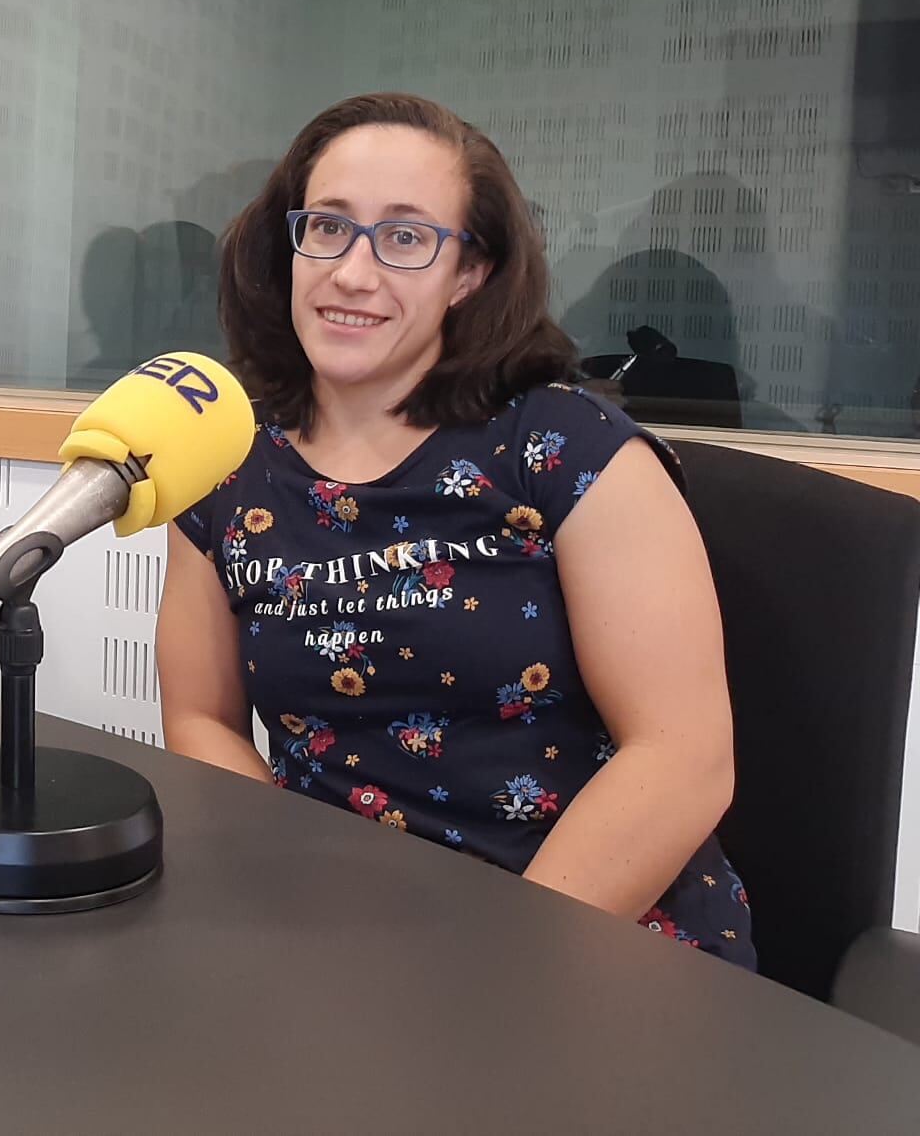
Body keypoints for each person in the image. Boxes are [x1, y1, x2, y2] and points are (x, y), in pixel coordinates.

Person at [158, 92, 751, 963]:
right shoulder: (221, 460)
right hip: (332, 940)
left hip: (577, 936)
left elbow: (683, 755)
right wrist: (284, 896)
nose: (352, 273)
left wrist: (493, 969)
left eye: (405, 238)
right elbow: (203, 719)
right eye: (327, 226)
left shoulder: (564, 449)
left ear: (469, 273)